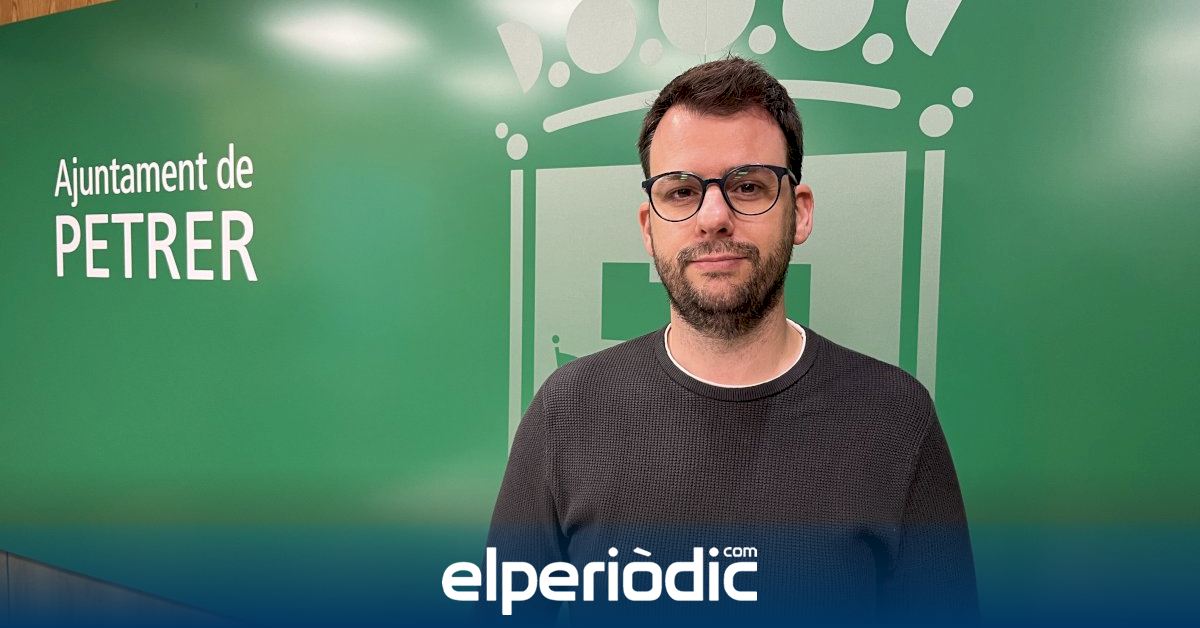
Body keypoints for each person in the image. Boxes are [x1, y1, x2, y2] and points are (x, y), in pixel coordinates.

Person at [485, 57, 977, 626]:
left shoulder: (895, 417)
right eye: (681, 191)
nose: (713, 217)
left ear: (800, 213)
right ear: (649, 227)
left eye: (747, 186)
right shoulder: (568, 408)